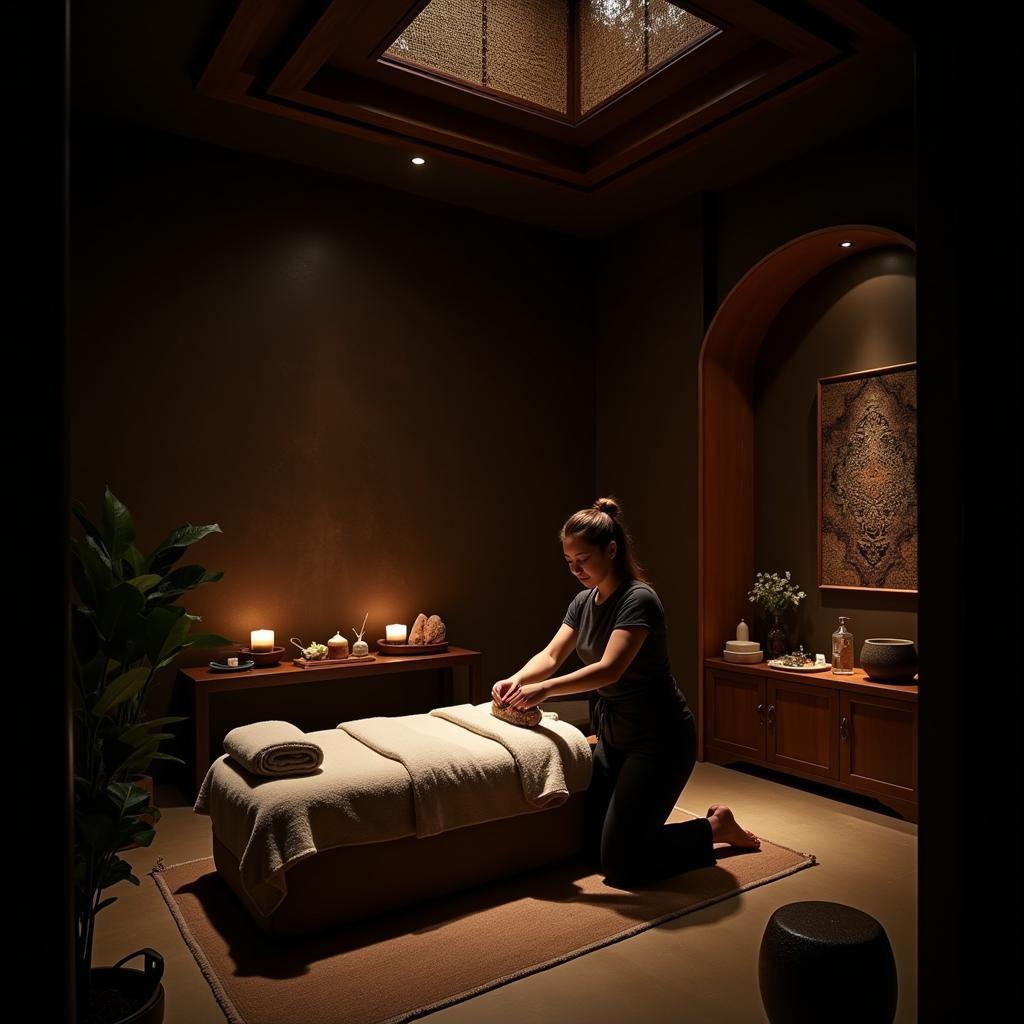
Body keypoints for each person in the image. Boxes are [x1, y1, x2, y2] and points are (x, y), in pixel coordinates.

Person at [492, 496, 760, 887]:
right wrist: (516, 679)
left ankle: (714, 827)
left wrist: (544, 691)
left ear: (611, 549)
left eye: (582, 558)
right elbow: (551, 654)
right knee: (594, 850)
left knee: (622, 865)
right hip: (614, 737)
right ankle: (684, 832)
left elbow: (610, 669)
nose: (576, 569)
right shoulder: (583, 602)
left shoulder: (639, 600)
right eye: (569, 561)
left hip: (660, 739)